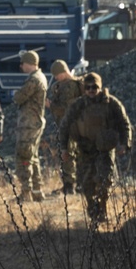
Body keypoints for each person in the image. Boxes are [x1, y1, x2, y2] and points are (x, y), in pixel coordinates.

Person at [58, 72, 132, 225]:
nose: (91, 90)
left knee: (105, 181)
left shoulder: (111, 103)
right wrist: (64, 149)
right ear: (84, 88)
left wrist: (125, 143)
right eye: (88, 87)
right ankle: (93, 211)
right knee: (87, 184)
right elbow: (64, 126)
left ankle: (102, 209)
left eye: (94, 87)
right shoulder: (78, 105)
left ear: (100, 87)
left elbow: (124, 124)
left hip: (105, 150)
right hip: (85, 149)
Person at [12, 50, 47, 202]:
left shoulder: (33, 80)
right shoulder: (41, 77)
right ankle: (37, 191)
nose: (21, 67)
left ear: (29, 64)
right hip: (35, 123)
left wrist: (15, 94)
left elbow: (19, 97)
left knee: (24, 157)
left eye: (23, 63)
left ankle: (26, 193)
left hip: (29, 124)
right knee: (33, 157)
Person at [46, 60, 83, 194]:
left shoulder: (69, 86)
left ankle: (69, 185)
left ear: (63, 72)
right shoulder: (66, 85)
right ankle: (77, 184)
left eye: (57, 74)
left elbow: (66, 108)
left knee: (67, 154)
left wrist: (51, 106)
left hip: (70, 125)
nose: (56, 77)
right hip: (74, 125)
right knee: (73, 154)